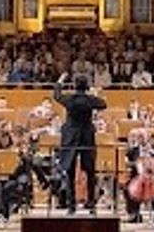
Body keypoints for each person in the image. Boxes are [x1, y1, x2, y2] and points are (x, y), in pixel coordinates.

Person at [53, 73, 107, 214]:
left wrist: (60, 81)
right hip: (86, 137)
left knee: (70, 172)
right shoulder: (89, 100)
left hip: (71, 138)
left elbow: (57, 95)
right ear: (86, 86)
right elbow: (103, 104)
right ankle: (91, 204)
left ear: (75, 85)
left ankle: (71, 207)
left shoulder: (70, 99)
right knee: (90, 172)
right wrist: (94, 93)